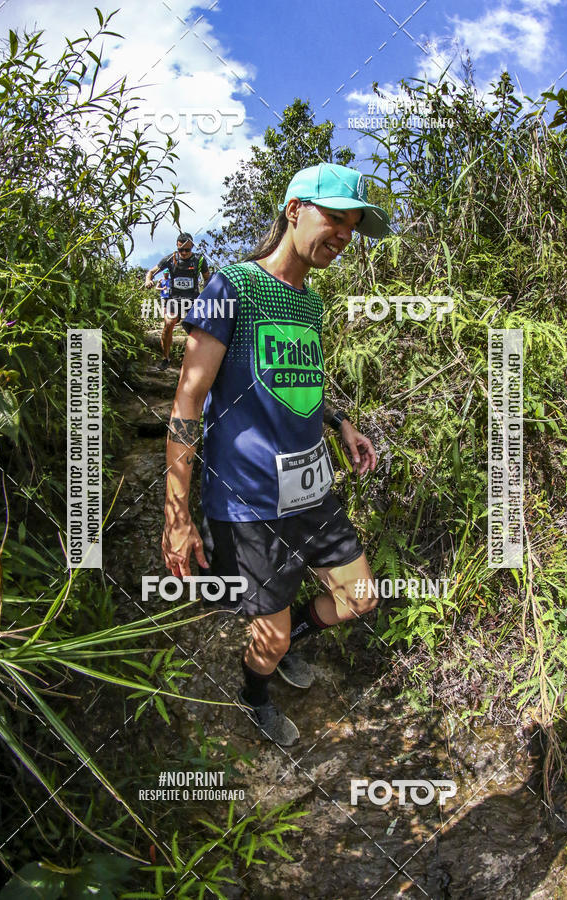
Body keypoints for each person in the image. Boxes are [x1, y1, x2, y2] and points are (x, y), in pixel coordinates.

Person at [162, 163, 391, 746]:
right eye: (333, 217)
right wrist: (178, 513)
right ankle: (254, 694)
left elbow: (294, 384)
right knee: (271, 640)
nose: (343, 233)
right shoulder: (230, 287)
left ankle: (287, 639)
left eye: (353, 225)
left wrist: (340, 422)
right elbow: (189, 400)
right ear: (294, 210)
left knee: (360, 598)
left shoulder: (309, 303)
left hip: (310, 489)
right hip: (249, 503)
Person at [144, 233, 210, 370]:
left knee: (199, 330)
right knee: (168, 324)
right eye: (181, 250)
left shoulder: (199, 260)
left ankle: (198, 361)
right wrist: (148, 280)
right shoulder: (170, 258)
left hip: (193, 299)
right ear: (177, 246)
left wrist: (208, 293)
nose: (184, 253)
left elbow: (207, 279)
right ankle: (166, 358)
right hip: (174, 299)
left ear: (192, 246)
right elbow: (151, 272)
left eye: (187, 250)